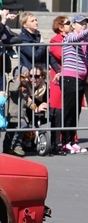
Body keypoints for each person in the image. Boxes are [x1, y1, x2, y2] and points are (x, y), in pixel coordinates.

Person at [57, 15, 88, 154]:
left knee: (76, 111)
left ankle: (72, 141)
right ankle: (64, 142)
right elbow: (77, 38)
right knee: (69, 110)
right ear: (74, 25)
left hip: (81, 79)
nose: (84, 25)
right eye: (81, 23)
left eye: (85, 23)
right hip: (70, 78)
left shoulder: (84, 41)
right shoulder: (69, 36)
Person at [48, 16, 69, 154]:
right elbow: (62, 55)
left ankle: (69, 139)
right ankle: (57, 142)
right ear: (61, 27)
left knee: (68, 109)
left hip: (69, 77)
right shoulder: (55, 40)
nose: (71, 25)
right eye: (68, 23)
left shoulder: (72, 39)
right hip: (58, 78)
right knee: (57, 110)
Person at [4, 68, 34, 156]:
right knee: (10, 132)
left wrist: (30, 104)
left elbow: (25, 100)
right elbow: (13, 90)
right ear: (18, 76)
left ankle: (13, 146)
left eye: (28, 77)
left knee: (21, 126)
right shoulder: (12, 83)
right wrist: (18, 80)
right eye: (25, 77)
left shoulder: (24, 88)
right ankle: (11, 146)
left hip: (22, 114)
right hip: (13, 113)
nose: (27, 79)